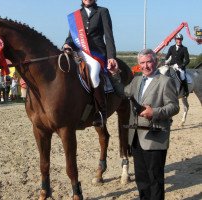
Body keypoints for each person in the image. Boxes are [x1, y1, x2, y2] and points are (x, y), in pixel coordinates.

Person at [125, 49, 180, 200]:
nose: (145, 66)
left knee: (155, 179)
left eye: (149, 62)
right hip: (136, 136)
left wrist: (154, 112)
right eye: (142, 63)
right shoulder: (136, 80)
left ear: (155, 62)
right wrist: (116, 74)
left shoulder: (165, 81)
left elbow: (174, 106)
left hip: (155, 137)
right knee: (141, 179)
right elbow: (123, 92)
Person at [63, 0, 119, 127]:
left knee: (93, 74)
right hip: (78, 51)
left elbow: (109, 35)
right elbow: (71, 36)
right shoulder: (75, 15)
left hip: (96, 52)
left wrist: (111, 56)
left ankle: (101, 112)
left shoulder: (102, 11)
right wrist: (67, 44)